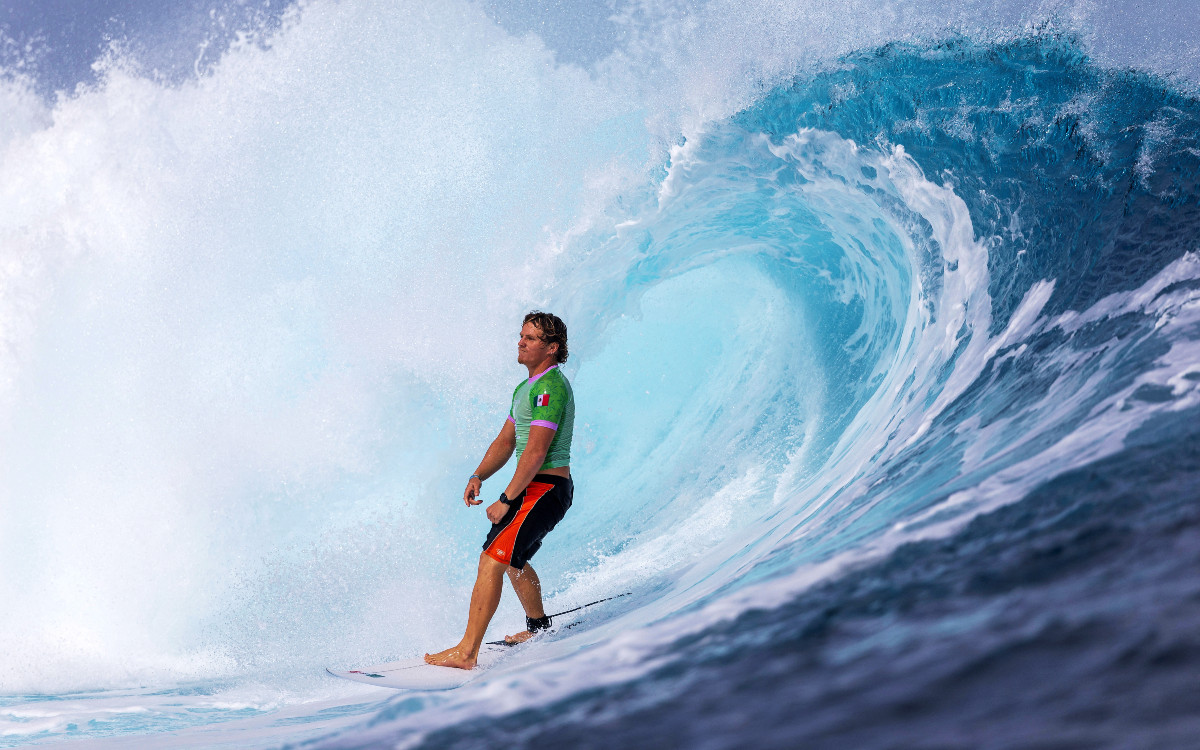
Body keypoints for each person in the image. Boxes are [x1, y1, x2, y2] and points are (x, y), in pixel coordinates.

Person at [424, 311, 575, 670]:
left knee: (492, 559)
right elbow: (507, 441)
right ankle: (538, 627)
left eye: (531, 338)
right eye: (520, 335)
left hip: (546, 487)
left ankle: (467, 653)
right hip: (535, 486)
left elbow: (537, 451)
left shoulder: (551, 387)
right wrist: (479, 474)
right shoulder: (525, 388)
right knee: (510, 560)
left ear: (552, 348)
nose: (521, 342)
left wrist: (506, 499)